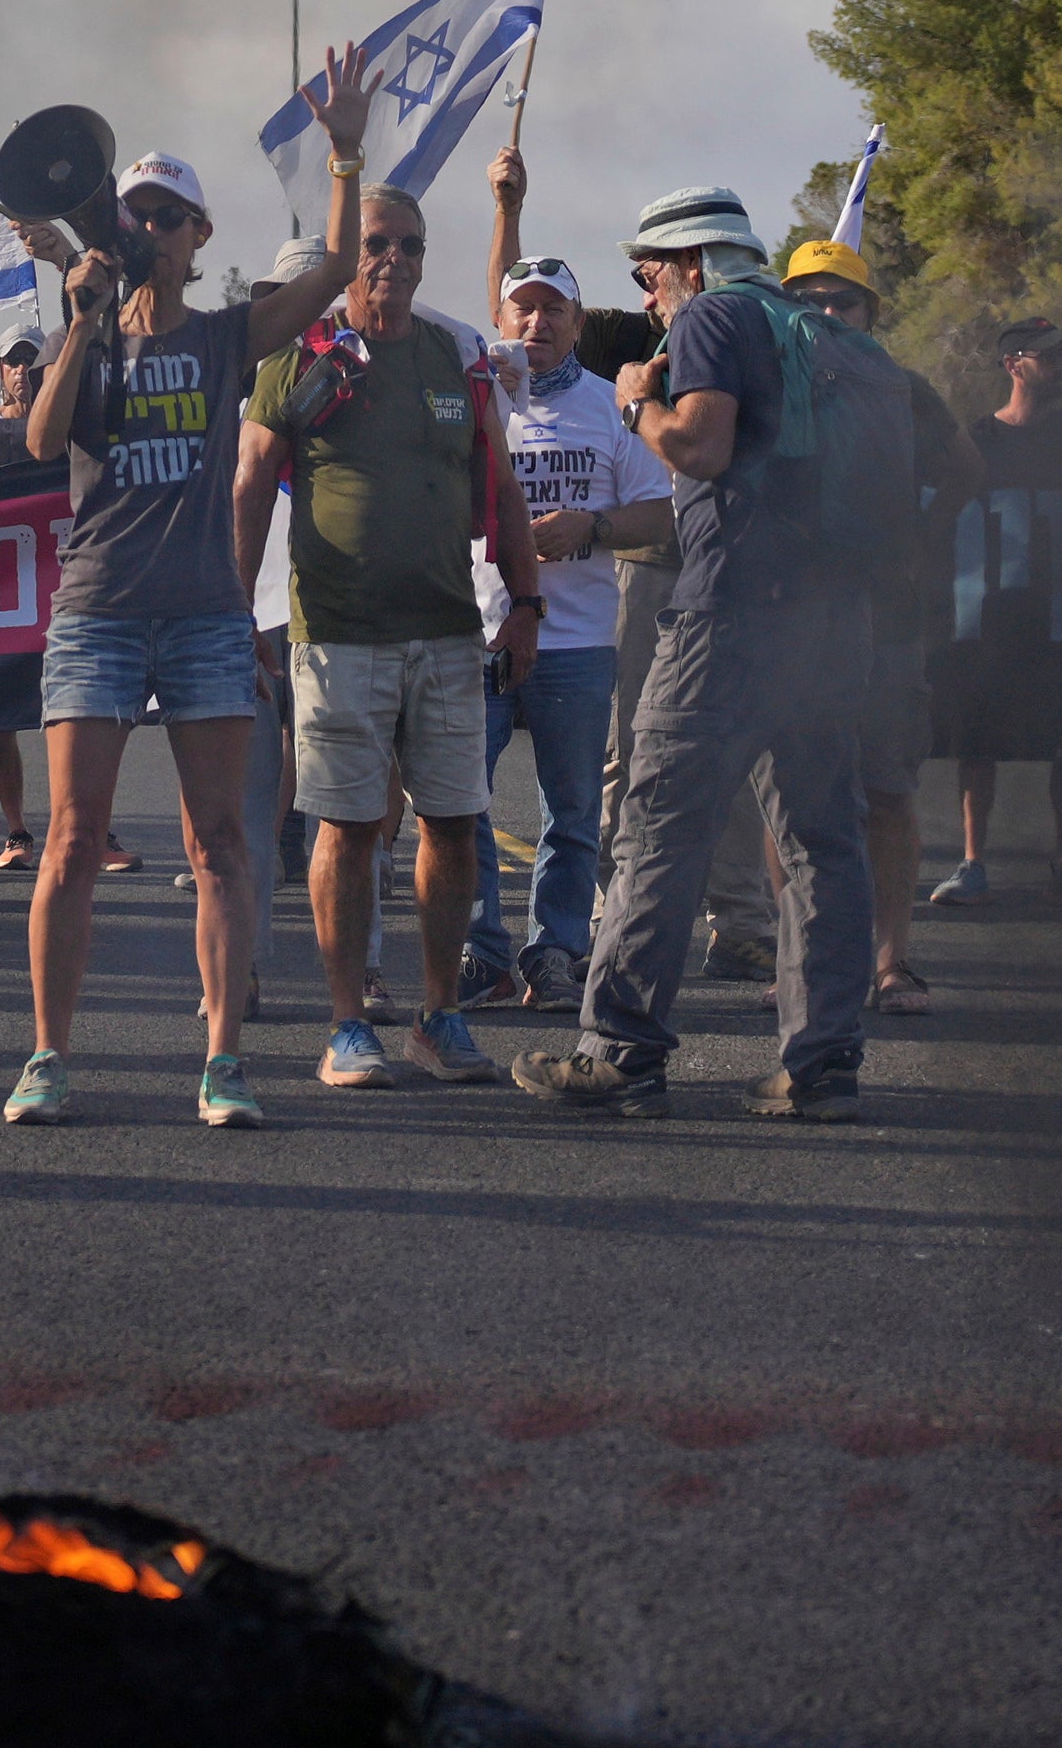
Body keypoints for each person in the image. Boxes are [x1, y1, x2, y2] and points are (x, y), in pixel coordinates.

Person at [3, 48, 373, 1129]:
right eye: (138, 216)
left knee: (220, 839)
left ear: (201, 237)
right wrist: (80, 318)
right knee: (72, 838)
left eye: (170, 218)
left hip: (208, 615)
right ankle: (46, 1057)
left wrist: (346, 154)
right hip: (99, 615)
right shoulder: (93, 333)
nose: (152, 231)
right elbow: (38, 442)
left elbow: (335, 271)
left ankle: (220, 1061)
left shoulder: (222, 339)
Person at [518, 183, 903, 1123]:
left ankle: (618, 1053)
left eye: (647, 275)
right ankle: (823, 1065)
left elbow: (698, 445)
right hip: (830, 621)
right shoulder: (833, 340)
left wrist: (638, 405)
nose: (646, 297)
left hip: (727, 618)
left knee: (656, 830)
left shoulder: (712, 318)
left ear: (690, 261)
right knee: (822, 840)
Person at [235, 184, 531, 1088]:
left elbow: (505, 488)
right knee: (350, 827)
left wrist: (524, 601)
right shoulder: (297, 359)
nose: (390, 261)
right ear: (348, 255)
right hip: (338, 635)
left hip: (446, 630)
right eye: (373, 244)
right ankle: (346, 1025)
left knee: (452, 822)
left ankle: (439, 1018)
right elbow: (250, 483)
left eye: (407, 245)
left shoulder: (456, 360)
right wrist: (231, 612)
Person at [464, 251, 672, 1016]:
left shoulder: (604, 405)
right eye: (523, 306)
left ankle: (554, 951)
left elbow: (659, 510)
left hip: (578, 639)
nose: (536, 321)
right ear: (501, 316)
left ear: (577, 325)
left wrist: (592, 526)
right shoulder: (472, 395)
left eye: (554, 310)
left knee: (572, 810)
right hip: (478, 629)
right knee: (462, 802)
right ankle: (478, 951)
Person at [780, 238, 977, 1014]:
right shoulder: (774, 383)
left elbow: (964, 471)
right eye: (810, 300)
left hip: (886, 620)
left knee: (887, 790)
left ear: (870, 314)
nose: (826, 314)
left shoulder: (903, 388)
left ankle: (892, 962)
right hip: (789, 615)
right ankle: (798, 961)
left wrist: (919, 543)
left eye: (843, 301)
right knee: (789, 796)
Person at [930, 318, 1062, 914]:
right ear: (1013, 365)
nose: (1060, 368)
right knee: (977, 744)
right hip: (987, 618)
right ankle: (974, 863)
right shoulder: (973, 441)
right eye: (1048, 357)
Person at [0, 335, 53, 868]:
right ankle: (17, 832)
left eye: (31, 360)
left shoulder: (69, 415)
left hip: (61, 579)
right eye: (13, 362)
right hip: (0, 589)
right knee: (0, 715)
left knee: (76, 710)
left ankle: (94, 831)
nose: (22, 370)